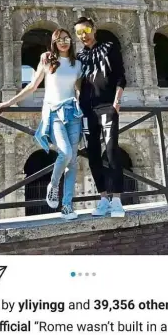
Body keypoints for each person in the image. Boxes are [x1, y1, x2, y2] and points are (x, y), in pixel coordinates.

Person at [0, 28, 82, 220]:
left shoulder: (77, 64)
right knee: (65, 153)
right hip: (54, 113)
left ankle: (67, 206)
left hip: (73, 113)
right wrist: (9, 102)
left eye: (67, 39)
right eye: (59, 39)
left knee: (73, 162)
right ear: (54, 42)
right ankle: (53, 184)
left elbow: (80, 91)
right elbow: (33, 86)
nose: (64, 42)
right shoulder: (47, 59)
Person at [74, 16, 127, 218]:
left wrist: (117, 103)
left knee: (112, 151)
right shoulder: (79, 56)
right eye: (79, 33)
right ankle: (103, 198)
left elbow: (121, 75)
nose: (83, 36)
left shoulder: (109, 47)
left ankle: (117, 200)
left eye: (86, 31)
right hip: (87, 109)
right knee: (93, 154)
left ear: (93, 29)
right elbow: (77, 81)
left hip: (107, 106)